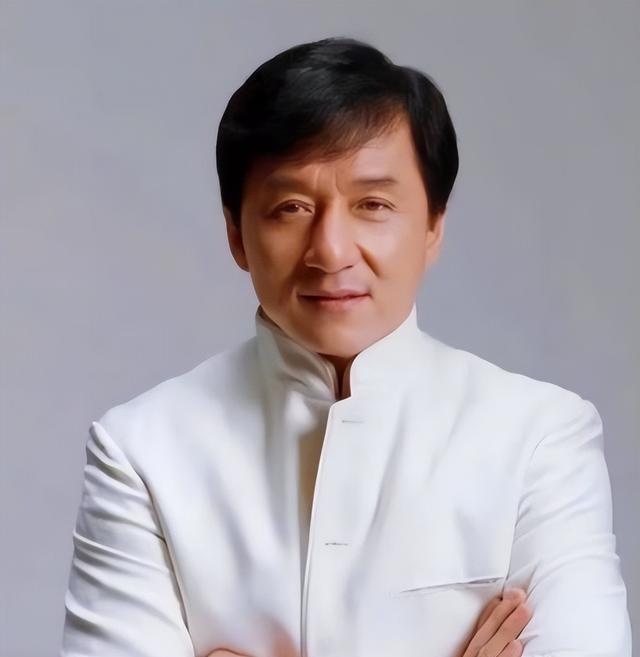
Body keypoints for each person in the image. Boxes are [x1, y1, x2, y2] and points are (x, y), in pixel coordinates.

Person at [59, 37, 632, 657]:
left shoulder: (541, 436)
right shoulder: (140, 451)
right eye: (291, 207)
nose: (330, 250)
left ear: (433, 226)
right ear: (236, 234)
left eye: (373, 204)